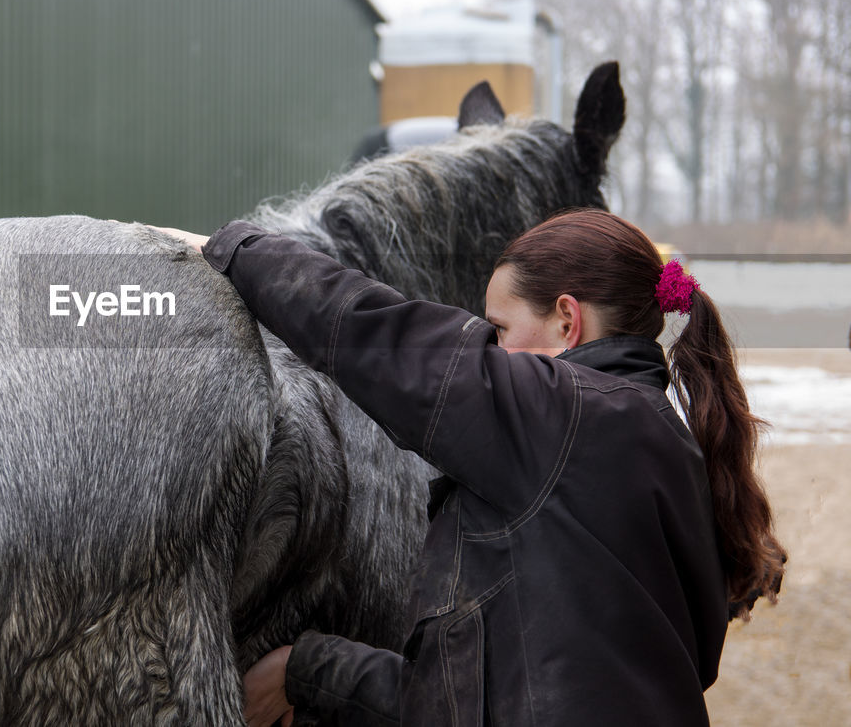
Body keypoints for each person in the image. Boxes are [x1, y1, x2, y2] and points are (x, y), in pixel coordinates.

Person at [150, 208, 786, 727]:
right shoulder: (659, 441)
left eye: (500, 329)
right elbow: (479, 700)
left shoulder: (564, 415)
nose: (493, 349)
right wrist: (307, 670)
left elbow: (386, 338)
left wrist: (232, 248)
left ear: (568, 320)